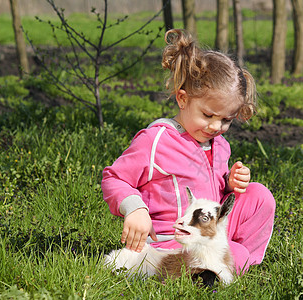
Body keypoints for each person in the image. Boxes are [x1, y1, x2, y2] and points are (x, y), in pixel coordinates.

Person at [102, 29, 276, 275]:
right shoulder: (156, 141)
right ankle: (225, 264)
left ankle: (232, 261)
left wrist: (229, 183)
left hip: (207, 229)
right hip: (175, 240)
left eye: (226, 119)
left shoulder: (219, 144)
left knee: (260, 195)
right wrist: (135, 209)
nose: (217, 126)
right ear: (183, 99)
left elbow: (212, 192)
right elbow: (115, 177)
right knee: (234, 256)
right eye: (208, 115)